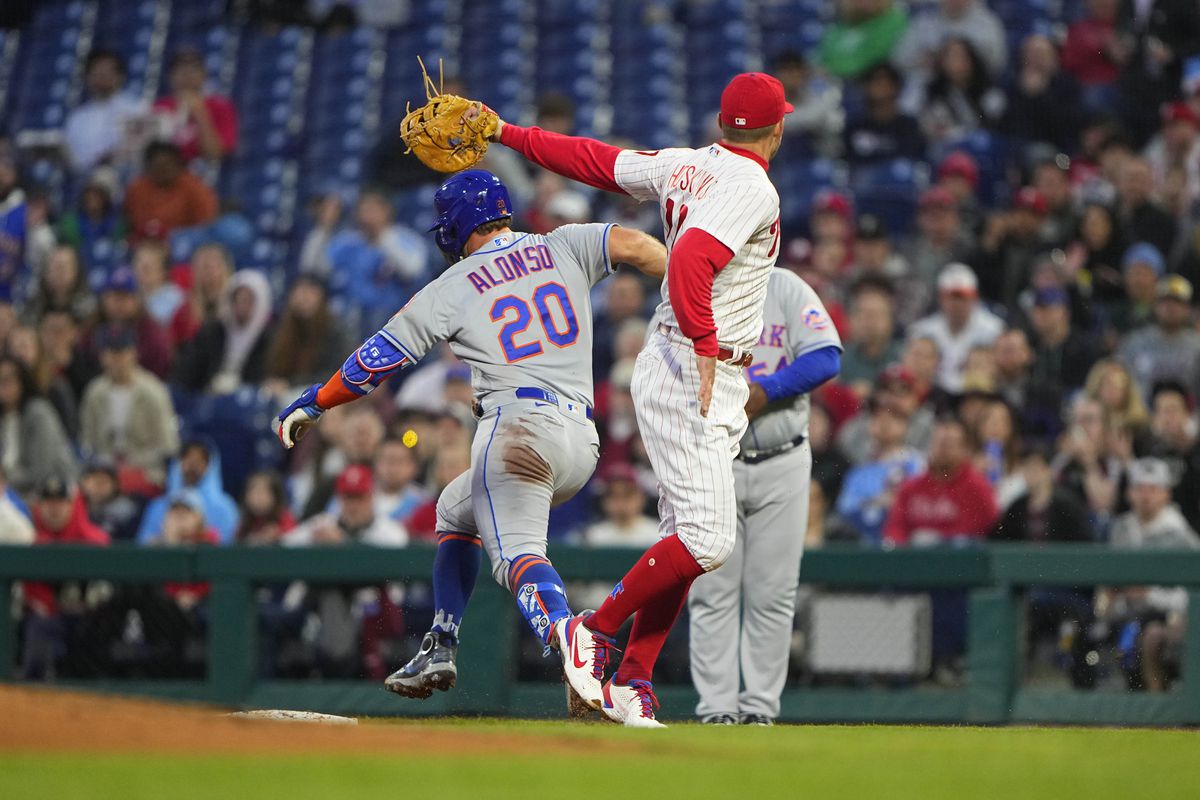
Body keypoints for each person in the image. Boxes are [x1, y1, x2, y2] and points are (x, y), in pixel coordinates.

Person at [275, 171, 667, 711]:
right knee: (454, 511)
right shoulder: (565, 242)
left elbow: (374, 362)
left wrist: (317, 400)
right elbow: (637, 245)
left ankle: (571, 637)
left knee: (518, 557)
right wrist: (687, 288)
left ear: (457, 223)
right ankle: (441, 641)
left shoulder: (454, 284)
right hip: (581, 442)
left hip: (518, 432)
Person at [486, 72, 808, 726]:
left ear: (724, 125)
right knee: (710, 541)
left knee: (682, 538)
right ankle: (595, 632)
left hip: (677, 357)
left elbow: (591, 160)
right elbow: (689, 258)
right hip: (696, 362)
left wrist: (504, 132)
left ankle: (633, 679)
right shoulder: (753, 187)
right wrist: (706, 341)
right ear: (778, 129)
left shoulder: (689, 164)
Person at [689, 267, 842, 726]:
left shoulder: (786, 287)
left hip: (783, 457)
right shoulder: (696, 285)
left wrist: (767, 390)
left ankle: (759, 708)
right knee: (712, 589)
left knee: (773, 593)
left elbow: (826, 358)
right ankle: (716, 708)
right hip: (716, 459)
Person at [300, 189, 431, 337]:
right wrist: (324, 228)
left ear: (387, 211)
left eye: (373, 209)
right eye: (364, 209)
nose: (368, 215)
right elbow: (313, 268)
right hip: (350, 320)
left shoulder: (404, 238)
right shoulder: (349, 241)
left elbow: (413, 270)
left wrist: (381, 237)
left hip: (392, 319)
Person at [79, 324, 180, 489]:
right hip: (105, 471)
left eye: (121, 352)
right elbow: (87, 440)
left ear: (133, 353)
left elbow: (167, 445)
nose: (116, 359)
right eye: (110, 353)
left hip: (146, 470)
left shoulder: (153, 392)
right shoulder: (95, 392)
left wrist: (132, 464)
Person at [884, 416, 999, 547]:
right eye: (938, 443)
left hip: (961, 560)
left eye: (949, 444)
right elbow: (896, 528)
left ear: (964, 449)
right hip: (916, 560)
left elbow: (984, 527)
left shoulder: (978, 487)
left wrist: (938, 539)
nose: (942, 450)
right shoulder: (911, 487)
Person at [835, 393, 924, 545]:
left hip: (907, 544)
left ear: (906, 425)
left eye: (894, 417)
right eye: (878, 416)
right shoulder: (858, 471)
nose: (885, 422)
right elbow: (845, 509)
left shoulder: (917, 463)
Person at [908, 263, 1004, 394]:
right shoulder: (922, 331)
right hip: (933, 395)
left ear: (974, 297)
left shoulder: (994, 329)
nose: (957, 304)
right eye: (952, 297)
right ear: (941, 298)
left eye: (962, 297)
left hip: (976, 395)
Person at [62, 49, 150, 174]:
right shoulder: (77, 118)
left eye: (106, 72)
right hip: (85, 180)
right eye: (96, 73)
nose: (101, 77)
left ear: (120, 76)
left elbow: (140, 152)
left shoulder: (137, 109)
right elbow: (72, 159)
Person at [0, 355, 77, 496]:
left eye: (9, 379)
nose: (4, 385)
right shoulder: (3, 417)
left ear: (22, 380)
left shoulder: (39, 412)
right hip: (9, 492)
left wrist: (6, 481)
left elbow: (42, 471)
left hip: (49, 493)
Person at [136, 440, 239, 544]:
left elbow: (227, 549)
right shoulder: (158, 506)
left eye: (199, 461)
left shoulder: (225, 508)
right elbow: (143, 547)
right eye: (187, 459)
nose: (192, 465)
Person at [263, 275, 353, 389]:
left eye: (311, 291)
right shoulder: (281, 331)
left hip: (319, 394)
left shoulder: (334, 332)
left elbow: (335, 374)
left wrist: (289, 385)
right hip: (280, 393)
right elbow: (269, 369)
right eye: (300, 290)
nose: (304, 297)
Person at [1119, 275, 1200, 398]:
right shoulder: (1134, 342)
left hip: (1188, 415)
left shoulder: (1197, 346)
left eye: (1177, 302)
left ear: (1187, 309)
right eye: (1165, 301)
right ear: (1155, 306)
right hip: (1140, 415)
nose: (1170, 307)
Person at [151, 48, 238, 163]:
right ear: (170, 76)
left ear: (204, 75)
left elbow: (215, 154)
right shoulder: (159, 107)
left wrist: (200, 113)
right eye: (181, 71)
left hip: (202, 172)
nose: (187, 76)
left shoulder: (221, 106)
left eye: (193, 70)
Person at [286, 465, 407, 547]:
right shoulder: (322, 524)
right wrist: (313, 541)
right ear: (339, 497)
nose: (353, 505)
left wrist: (343, 543)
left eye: (359, 497)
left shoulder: (389, 530)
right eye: (348, 497)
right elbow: (286, 543)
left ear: (371, 497)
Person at [123, 142, 219, 242]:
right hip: (145, 241)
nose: (164, 171)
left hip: (183, 241)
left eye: (168, 165)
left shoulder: (194, 187)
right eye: (159, 166)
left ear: (177, 164)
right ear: (149, 167)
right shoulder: (137, 188)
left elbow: (207, 223)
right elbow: (130, 223)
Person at [895, 0, 1007, 81]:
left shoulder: (987, 23)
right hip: (930, 87)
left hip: (974, 87)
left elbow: (998, 63)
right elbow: (900, 60)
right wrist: (924, 60)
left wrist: (967, 61)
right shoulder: (924, 22)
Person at [840, 62, 926, 166]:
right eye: (870, 81)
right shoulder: (854, 127)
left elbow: (915, 163)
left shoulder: (909, 126)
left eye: (880, 80)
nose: (875, 86)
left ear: (895, 86)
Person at [839, 277, 902, 395]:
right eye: (860, 314)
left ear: (890, 321)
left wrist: (873, 392)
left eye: (874, 315)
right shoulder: (841, 357)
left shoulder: (902, 357)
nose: (867, 322)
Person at [819, 0, 908, 79]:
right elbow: (823, 53)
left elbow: (874, 57)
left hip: (869, 81)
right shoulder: (841, 26)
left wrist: (832, 69)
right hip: (834, 81)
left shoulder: (894, 19)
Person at [584, 464, 660, 548]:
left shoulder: (657, 535)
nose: (620, 502)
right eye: (613, 495)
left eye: (627, 495)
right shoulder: (593, 537)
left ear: (641, 497)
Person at [79, 460, 141, 542]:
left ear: (115, 485)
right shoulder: (75, 507)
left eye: (102, 482)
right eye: (92, 481)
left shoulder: (126, 510)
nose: (97, 487)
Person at [371, 435, 428, 524]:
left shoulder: (424, 504)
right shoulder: (358, 497)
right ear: (376, 463)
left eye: (399, 461)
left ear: (413, 467)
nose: (393, 467)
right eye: (388, 460)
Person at [235, 470, 296, 545]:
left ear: (275, 496)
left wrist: (279, 537)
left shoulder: (285, 519)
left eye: (262, 492)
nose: (256, 497)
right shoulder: (244, 523)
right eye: (252, 491)